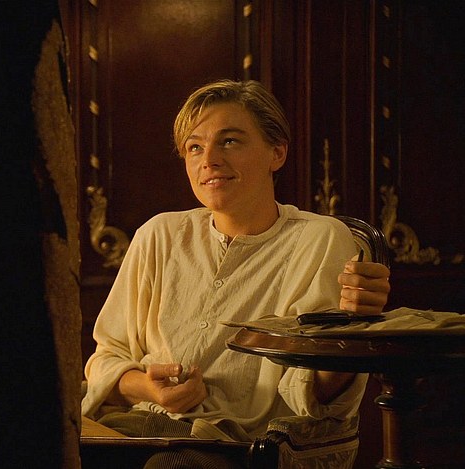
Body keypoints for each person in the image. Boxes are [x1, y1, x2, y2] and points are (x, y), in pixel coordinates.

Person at [81, 79, 391, 468]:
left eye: (229, 141)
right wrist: (147, 387)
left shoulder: (320, 239)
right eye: (195, 147)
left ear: (277, 153)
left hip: (235, 445)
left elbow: (312, 396)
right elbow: (107, 356)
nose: (208, 160)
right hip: (134, 427)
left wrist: (352, 328)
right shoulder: (158, 234)